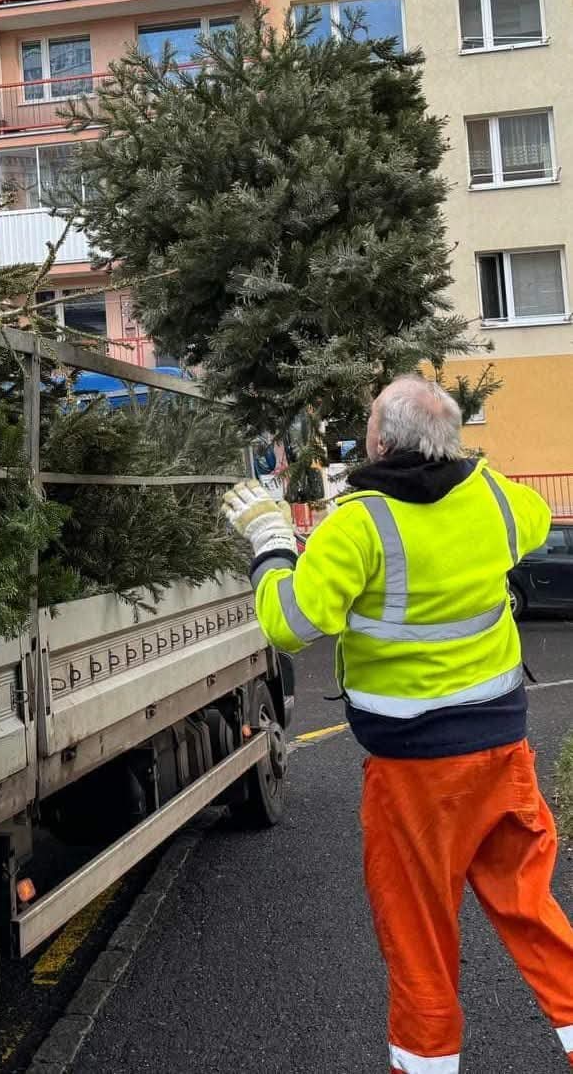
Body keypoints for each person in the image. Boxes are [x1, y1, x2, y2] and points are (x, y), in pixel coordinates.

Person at [221, 375, 573, 1074]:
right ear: (448, 439)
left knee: (418, 937)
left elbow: (291, 624)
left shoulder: (357, 523)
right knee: (531, 912)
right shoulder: (501, 499)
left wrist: (269, 541)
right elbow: (525, 520)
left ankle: (426, 1064)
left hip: (413, 772)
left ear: (377, 441)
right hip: (502, 753)